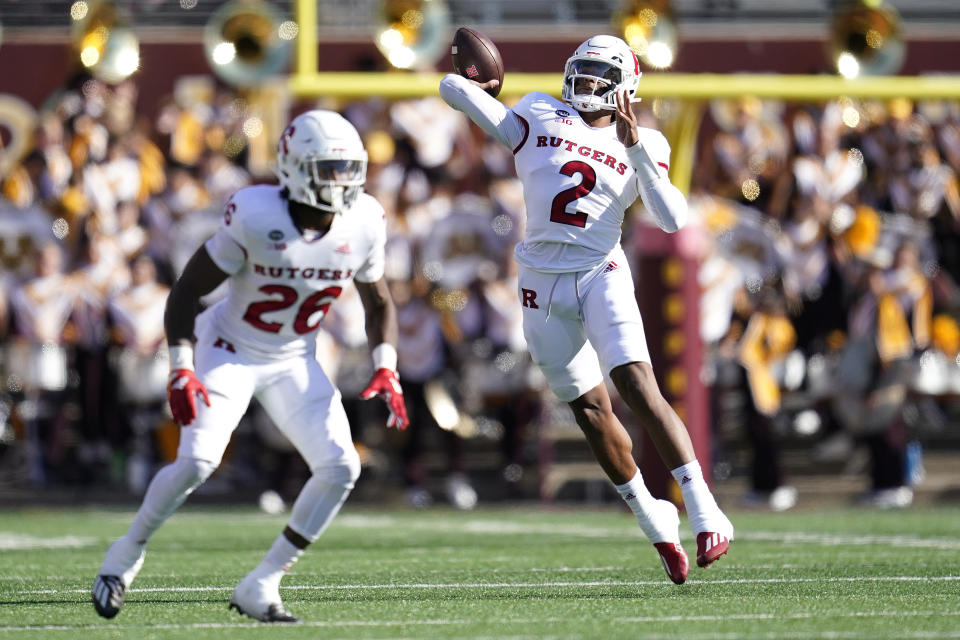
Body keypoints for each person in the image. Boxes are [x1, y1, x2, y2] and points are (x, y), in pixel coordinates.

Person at [92, 110, 409, 623]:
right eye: (330, 169)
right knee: (196, 462)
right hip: (230, 349)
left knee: (342, 466)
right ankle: (124, 555)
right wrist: (181, 366)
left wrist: (386, 364)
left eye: (350, 168)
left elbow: (379, 304)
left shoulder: (366, 220)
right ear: (295, 168)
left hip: (294, 357)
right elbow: (186, 292)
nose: (343, 181)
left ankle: (263, 582)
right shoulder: (257, 214)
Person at [439, 35, 733, 584]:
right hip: (540, 283)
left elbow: (672, 219)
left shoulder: (648, 141)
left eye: (601, 74)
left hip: (601, 271)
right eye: (584, 71)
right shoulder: (537, 110)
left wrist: (637, 147)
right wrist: (477, 83)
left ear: (626, 85)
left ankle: (705, 510)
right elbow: (451, 87)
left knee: (638, 384)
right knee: (592, 414)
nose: (589, 83)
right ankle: (653, 518)